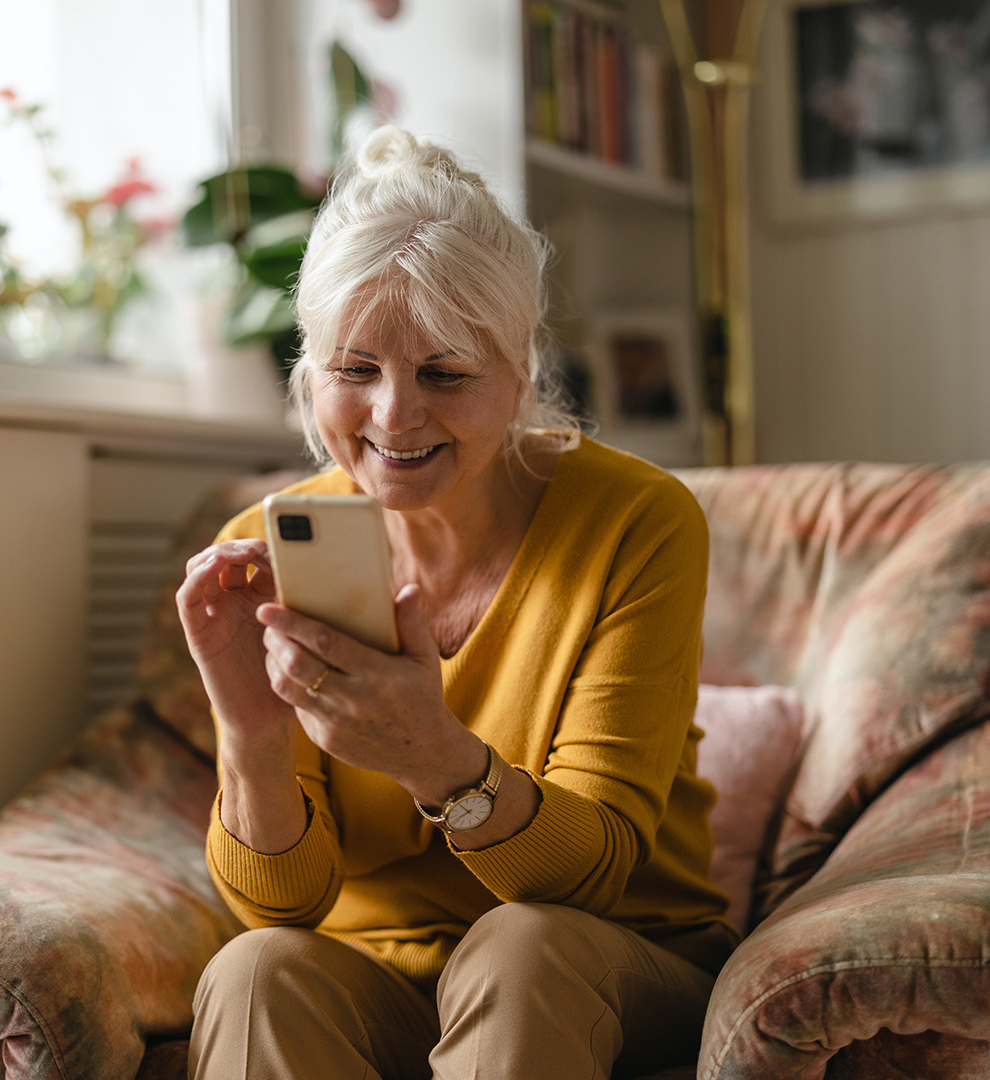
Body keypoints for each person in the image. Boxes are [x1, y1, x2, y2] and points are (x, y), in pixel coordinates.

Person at [176, 126, 736, 1080]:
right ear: (310, 375)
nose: (394, 416)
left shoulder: (636, 523)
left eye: (444, 373)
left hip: (609, 961)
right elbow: (281, 907)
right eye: (355, 370)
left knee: (520, 947)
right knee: (255, 970)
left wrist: (431, 757)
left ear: (519, 376)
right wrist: (254, 738)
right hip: (382, 979)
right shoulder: (265, 547)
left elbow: (591, 878)